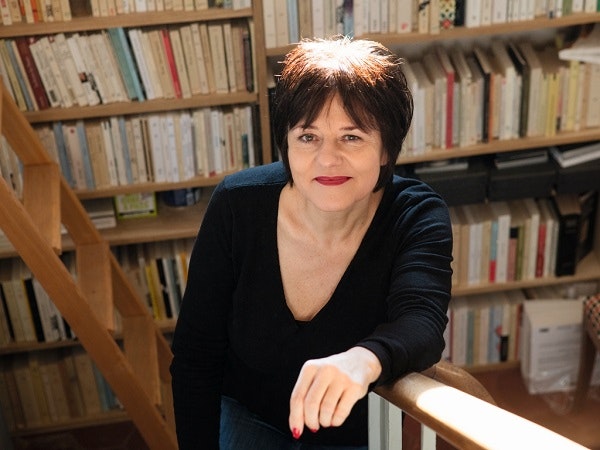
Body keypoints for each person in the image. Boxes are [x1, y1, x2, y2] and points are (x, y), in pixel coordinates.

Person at [170, 36, 453, 450]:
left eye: (351, 137)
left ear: (386, 149)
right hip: (248, 416)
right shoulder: (236, 205)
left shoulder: (416, 215)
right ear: (286, 144)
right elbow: (195, 356)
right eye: (308, 136)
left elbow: (422, 324)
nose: (327, 159)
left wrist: (363, 358)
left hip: (355, 432)